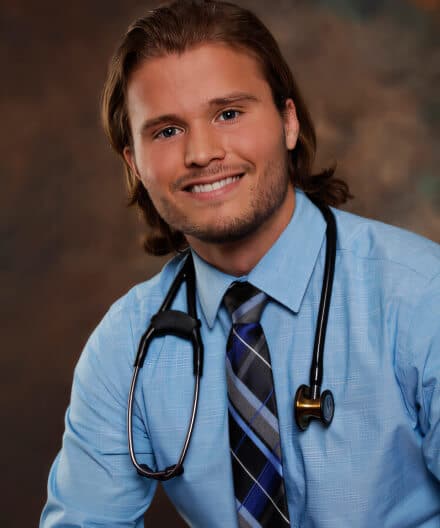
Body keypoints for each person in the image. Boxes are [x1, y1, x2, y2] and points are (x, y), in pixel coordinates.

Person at [40, 1, 440, 527]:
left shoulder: (420, 296)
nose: (202, 153)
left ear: (288, 122)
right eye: (166, 131)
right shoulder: (124, 348)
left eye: (228, 114)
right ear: (134, 164)